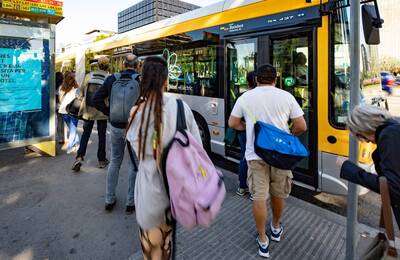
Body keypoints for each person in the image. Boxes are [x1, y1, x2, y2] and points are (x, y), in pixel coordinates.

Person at [126, 56, 201, 260]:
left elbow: (138, 155)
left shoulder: (136, 112)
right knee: (168, 248)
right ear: (166, 80)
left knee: (153, 254)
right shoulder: (181, 107)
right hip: (177, 196)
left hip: (150, 197)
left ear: (143, 80)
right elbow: (198, 150)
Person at [228, 64, 307, 258]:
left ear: (256, 79)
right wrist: (287, 134)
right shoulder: (286, 97)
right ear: (275, 79)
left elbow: (233, 123)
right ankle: (276, 227)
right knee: (278, 194)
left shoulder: (245, 97)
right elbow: (301, 126)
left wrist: (248, 126)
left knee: (259, 197)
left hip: (255, 155)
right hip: (281, 156)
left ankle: (263, 240)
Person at [337, 105, 400, 229]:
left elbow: (392, 187)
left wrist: (348, 168)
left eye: (360, 136)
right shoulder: (394, 129)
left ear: (364, 128)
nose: (364, 141)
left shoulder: (389, 135)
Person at [92, 54, 140, 214]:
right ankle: (130, 202)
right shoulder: (140, 80)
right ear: (137, 65)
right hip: (133, 127)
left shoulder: (112, 79)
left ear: (123, 65)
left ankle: (109, 199)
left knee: (115, 161)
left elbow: (95, 99)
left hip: (115, 126)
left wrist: (109, 112)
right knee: (134, 164)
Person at [72, 57, 110, 172]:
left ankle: (79, 157)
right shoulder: (109, 77)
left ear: (98, 65)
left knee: (85, 134)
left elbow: (81, 92)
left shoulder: (89, 76)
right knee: (102, 136)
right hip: (102, 111)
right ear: (107, 66)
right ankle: (102, 160)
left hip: (88, 110)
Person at [236, 71, 257, 197]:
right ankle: (254, 190)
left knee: (244, 157)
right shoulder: (262, 97)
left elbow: (234, 120)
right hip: (259, 133)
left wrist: (245, 126)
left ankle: (242, 187)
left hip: (243, 132)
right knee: (257, 159)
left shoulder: (242, 96)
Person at [58, 72, 80, 154]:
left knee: (72, 130)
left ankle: (76, 144)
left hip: (63, 111)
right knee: (73, 130)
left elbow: (60, 100)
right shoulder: (76, 88)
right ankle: (71, 146)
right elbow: (79, 99)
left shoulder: (61, 88)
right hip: (73, 111)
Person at [55, 72, 65, 144]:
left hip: (56, 106)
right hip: (62, 105)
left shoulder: (54, 85)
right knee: (62, 121)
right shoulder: (62, 86)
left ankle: (60, 138)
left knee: (59, 121)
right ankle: (63, 138)